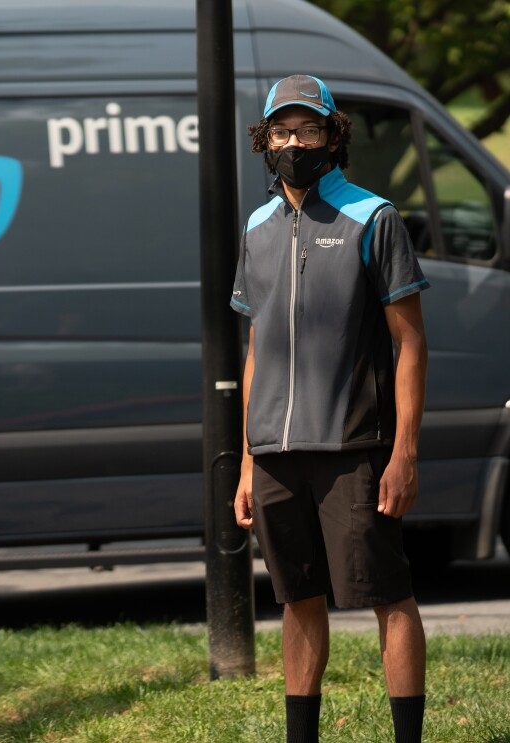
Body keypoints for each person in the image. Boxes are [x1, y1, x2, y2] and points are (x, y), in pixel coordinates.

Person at [230, 75, 429, 743]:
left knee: (388, 596)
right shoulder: (256, 228)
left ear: (331, 135)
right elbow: (255, 346)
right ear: (265, 141)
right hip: (276, 456)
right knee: (296, 600)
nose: (294, 143)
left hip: (355, 448)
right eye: (281, 131)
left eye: (307, 129)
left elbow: (410, 342)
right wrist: (247, 463)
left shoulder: (375, 217)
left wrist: (403, 453)